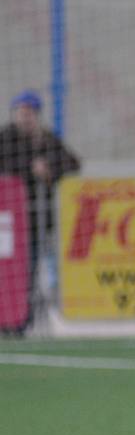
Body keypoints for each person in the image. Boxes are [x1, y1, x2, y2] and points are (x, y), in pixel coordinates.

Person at [0, 89, 80, 335]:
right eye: (21, 112)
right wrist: (28, 168)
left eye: (30, 113)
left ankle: (20, 323)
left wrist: (49, 170)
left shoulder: (46, 140)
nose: (25, 117)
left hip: (35, 224)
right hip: (7, 224)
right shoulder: (6, 139)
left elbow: (73, 164)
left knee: (29, 275)